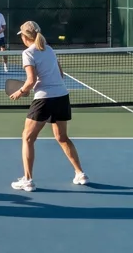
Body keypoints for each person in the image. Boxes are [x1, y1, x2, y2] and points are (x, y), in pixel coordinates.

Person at [7, 20, 87, 192]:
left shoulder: (28, 53)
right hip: (62, 97)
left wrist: (20, 92)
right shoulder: (49, 49)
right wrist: (33, 87)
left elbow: (31, 80)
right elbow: (60, 74)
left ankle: (27, 180)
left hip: (44, 100)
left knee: (27, 138)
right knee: (62, 138)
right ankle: (80, 173)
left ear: (24, 37)